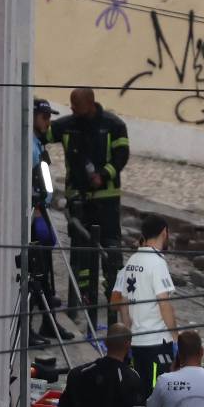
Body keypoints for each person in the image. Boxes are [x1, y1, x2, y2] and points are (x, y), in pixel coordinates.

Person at [45, 87, 130, 321]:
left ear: (91, 104)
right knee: (80, 249)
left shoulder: (114, 125)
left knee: (110, 247)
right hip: (78, 199)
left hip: (106, 199)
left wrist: (103, 174)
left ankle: (113, 292)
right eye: (72, 108)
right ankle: (83, 294)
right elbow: (42, 132)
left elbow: (122, 155)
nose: (74, 112)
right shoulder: (68, 125)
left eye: (77, 108)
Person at [111, 213, 177, 396]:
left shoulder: (132, 261)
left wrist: (128, 333)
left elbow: (124, 303)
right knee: (157, 395)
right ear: (164, 232)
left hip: (136, 342)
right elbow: (164, 303)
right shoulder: (157, 263)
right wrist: (175, 337)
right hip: (157, 343)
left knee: (139, 392)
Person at [29, 99, 76, 345]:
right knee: (35, 273)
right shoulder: (30, 145)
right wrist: (36, 207)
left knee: (45, 272)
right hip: (35, 213)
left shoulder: (38, 143)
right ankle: (29, 327)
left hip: (42, 210)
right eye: (44, 117)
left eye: (49, 118)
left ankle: (49, 322)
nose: (48, 122)